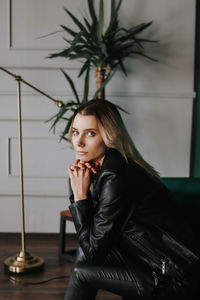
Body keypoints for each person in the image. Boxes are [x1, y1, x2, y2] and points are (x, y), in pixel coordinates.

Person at [64, 99, 199, 300]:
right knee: (83, 255)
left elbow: (94, 251)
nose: (79, 142)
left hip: (171, 275)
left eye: (90, 133)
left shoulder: (116, 177)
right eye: (75, 132)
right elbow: (95, 238)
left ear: (111, 136)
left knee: (81, 273)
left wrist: (80, 196)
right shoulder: (110, 165)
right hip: (143, 258)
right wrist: (82, 189)